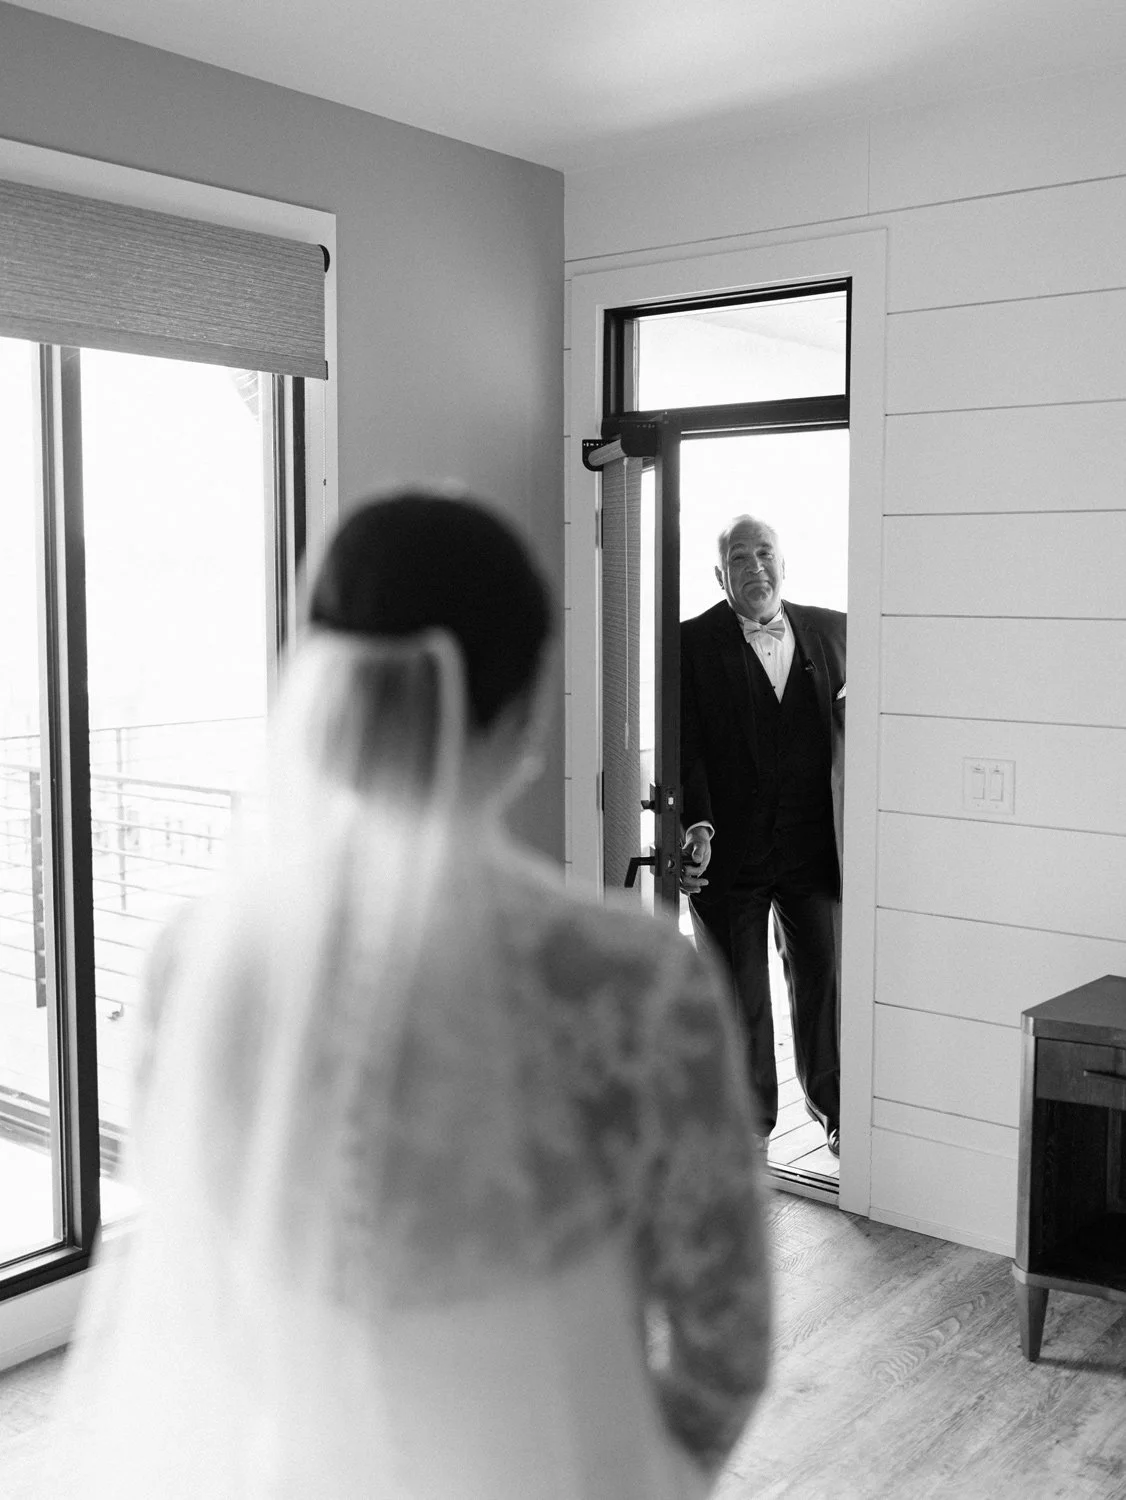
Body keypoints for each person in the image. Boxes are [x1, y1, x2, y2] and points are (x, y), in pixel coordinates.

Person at [56, 490, 771, 1499]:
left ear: (322, 692)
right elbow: (724, 1345)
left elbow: (205, 1286)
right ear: (525, 703)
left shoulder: (193, 961)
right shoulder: (633, 979)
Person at [680, 514, 845, 1158]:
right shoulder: (690, 643)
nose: (756, 567)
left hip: (813, 851)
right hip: (729, 855)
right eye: (740, 558)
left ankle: (834, 1111)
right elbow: (684, 749)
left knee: (824, 981)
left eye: (765, 553)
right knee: (737, 992)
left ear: (785, 563)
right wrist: (695, 826)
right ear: (720, 575)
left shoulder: (835, 631)